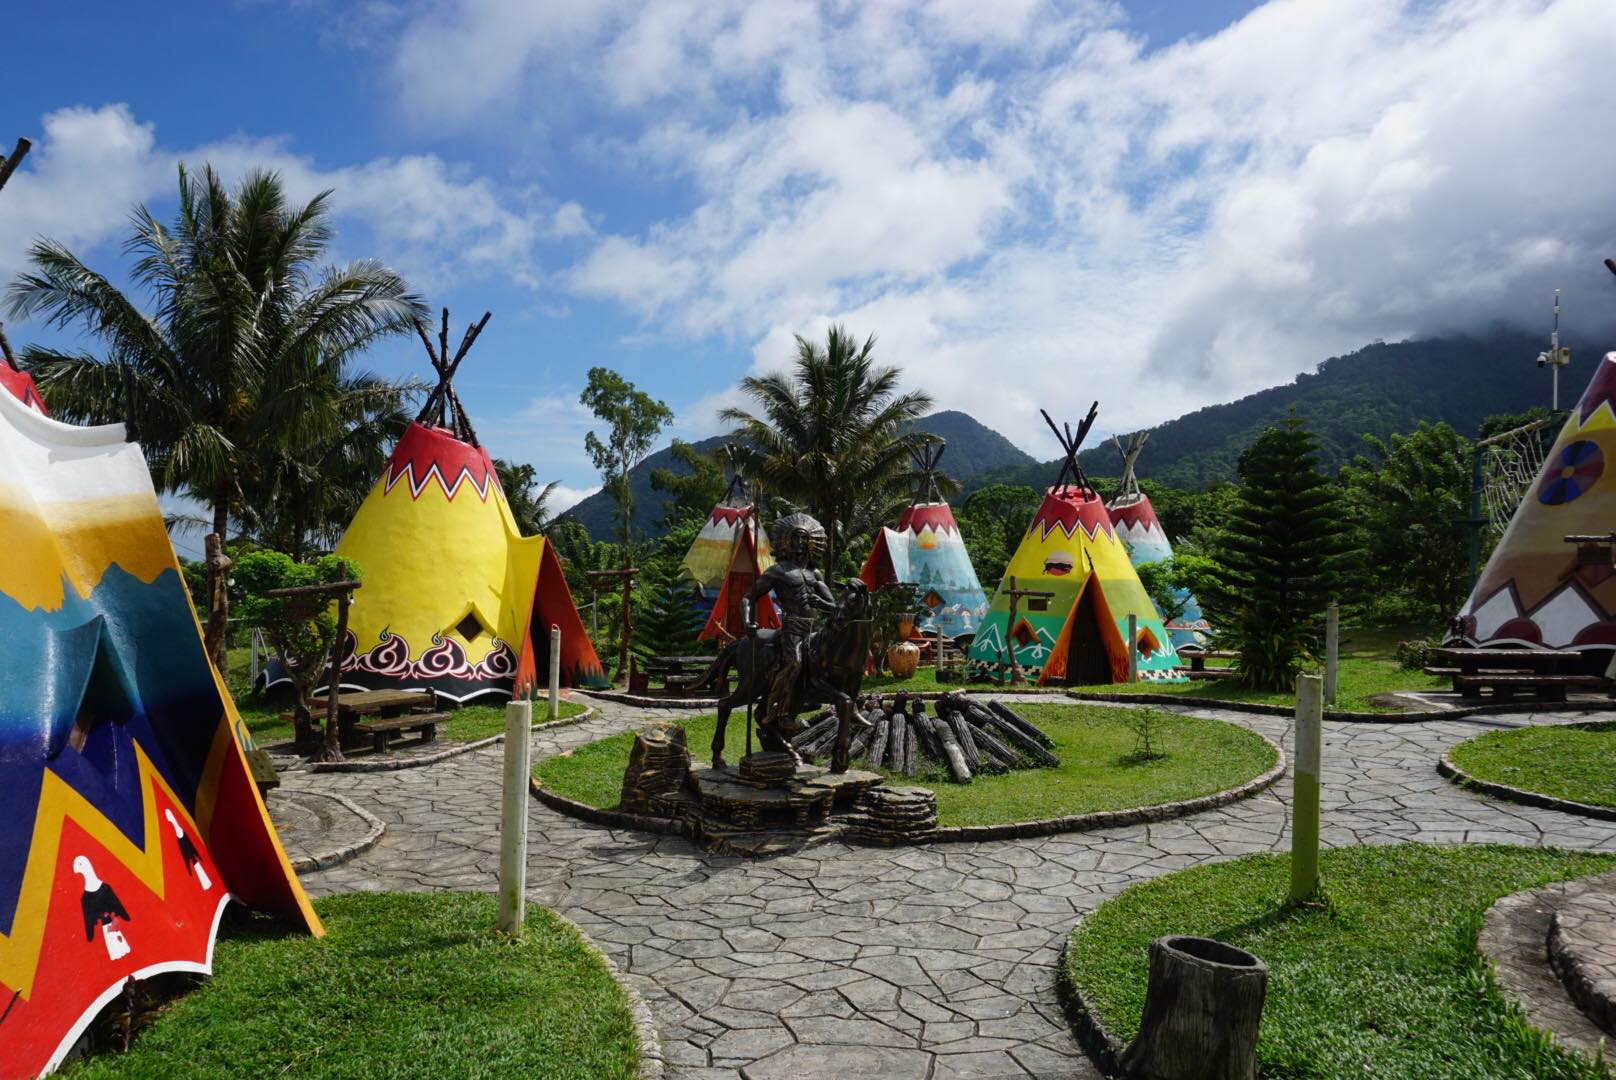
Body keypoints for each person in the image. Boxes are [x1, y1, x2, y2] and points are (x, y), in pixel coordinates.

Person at [742, 513, 836, 734]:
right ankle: (778, 710)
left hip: (816, 630)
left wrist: (820, 601)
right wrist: (748, 621)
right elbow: (748, 597)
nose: (801, 543)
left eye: (804, 539)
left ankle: (809, 700)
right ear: (787, 542)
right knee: (794, 664)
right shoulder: (778, 571)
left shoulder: (815, 574)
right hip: (792, 629)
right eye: (796, 538)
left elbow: (834, 607)